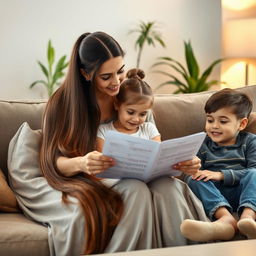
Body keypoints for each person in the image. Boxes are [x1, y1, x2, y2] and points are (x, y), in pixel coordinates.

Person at [11, 31, 209, 256]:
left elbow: (153, 145)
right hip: (89, 176)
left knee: (170, 188)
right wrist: (82, 163)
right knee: (135, 191)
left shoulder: (129, 94)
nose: (116, 82)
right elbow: (55, 163)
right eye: (106, 77)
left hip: (133, 175)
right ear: (86, 74)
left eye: (121, 71)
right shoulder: (63, 104)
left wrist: (181, 163)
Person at [180, 88, 256, 242]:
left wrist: (221, 174)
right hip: (214, 194)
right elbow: (191, 173)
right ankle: (226, 220)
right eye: (210, 120)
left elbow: (253, 171)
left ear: (241, 124)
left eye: (222, 121)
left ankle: (248, 218)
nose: (214, 126)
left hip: (243, 192)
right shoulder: (202, 144)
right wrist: (191, 168)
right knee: (193, 178)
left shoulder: (250, 142)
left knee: (255, 174)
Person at [96, 68, 161, 153]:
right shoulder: (104, 131)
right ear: (117, 105)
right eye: (130, 112)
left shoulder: (149, 129)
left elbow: (158, 156)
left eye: (142, 114)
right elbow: (101, 160)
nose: (136, 119)